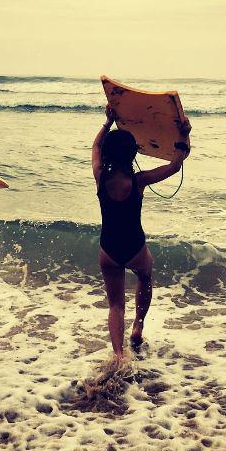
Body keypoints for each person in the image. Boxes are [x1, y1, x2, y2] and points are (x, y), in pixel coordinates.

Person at [92, 106, 190, 358]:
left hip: (108, 248)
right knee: (145, 277)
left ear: (107, 155)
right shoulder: (139, 181)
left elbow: (95, 148)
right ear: (133, 153)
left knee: (115, 305)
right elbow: (175, 165)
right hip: (134, 246)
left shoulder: (100, 175)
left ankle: (118, 355)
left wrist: (107, 123)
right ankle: (138, 325)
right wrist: (183, 134)